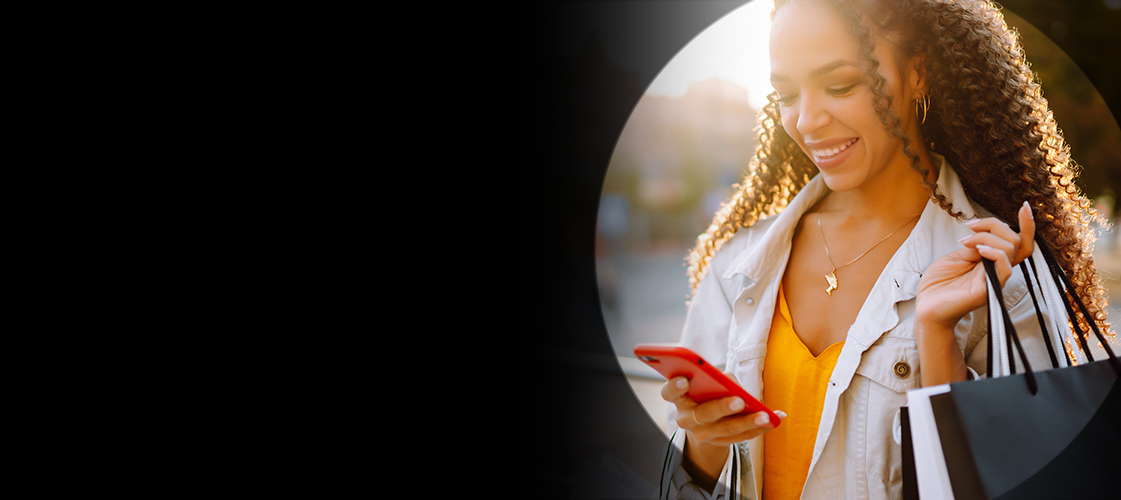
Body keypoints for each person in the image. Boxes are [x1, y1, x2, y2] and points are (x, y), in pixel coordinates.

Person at [656, 0, 1114, 499]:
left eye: (840, 85)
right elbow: (684, 482)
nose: (806, 121)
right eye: (787, 94)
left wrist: (938, 341)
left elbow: (1028, 476)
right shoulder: (738, 266)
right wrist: (704, 443)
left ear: (917, 73)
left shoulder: (1001, 269)